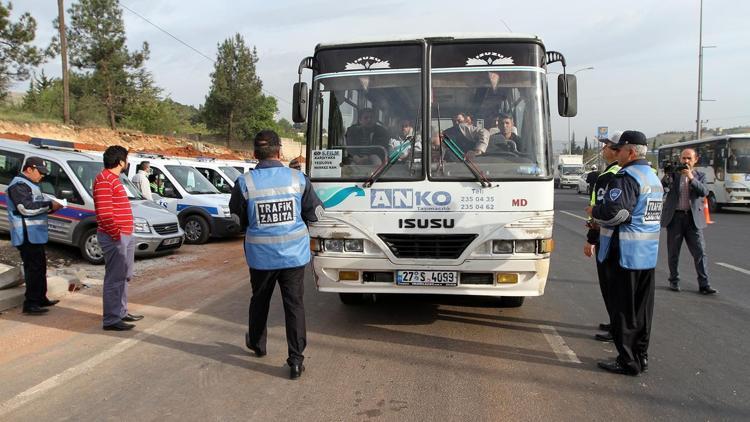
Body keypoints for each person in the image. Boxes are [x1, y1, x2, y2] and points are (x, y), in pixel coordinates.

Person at [229, 130, 324, 380]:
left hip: (261, 257)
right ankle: (295, 360)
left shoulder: (245, 182)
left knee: (259, 301)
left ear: (254, 154)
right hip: (293, 256)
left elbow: (238, 220)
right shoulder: (298, 179)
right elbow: (314, 214)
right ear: (280, 152)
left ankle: (258, 345)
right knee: (294, 305)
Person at [586, 130, 663, 376]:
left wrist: (595, 211)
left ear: (630, 152)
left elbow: (616, 213)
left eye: (618, 150)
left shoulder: (626, 177)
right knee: (642, 311)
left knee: (623, 311)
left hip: (623, 254)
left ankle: (627, 360)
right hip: (646, 254)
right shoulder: (652, 176)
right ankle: (641, 356)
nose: (615, 153)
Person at [94, 146, 143, 331]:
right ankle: (111, 319)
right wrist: (117, 236)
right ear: (121, 162)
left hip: (124, 235)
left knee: (124, 275)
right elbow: (105, 215)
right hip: (115, 237)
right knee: (115, 278)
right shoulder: (105, 180)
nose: (128, 162)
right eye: (126, 159)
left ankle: (121, 311)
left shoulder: (113, 179)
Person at [6, 157, 64, 315]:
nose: (42, 176)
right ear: (29, 169)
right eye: (40, 172)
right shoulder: (18, 185)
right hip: (25, 235)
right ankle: (30, 303)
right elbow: (26, 208)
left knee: (40, 267)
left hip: (35, 234)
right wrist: (49, 205)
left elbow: (37, 206)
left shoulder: (31, 184)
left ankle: (40, 297)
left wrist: (53, 207)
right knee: (33, 269)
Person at [660, 148, 717, 295]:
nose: (686, 161)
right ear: (680, 159)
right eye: (683, 158)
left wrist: (691, 178)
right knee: (673, 252)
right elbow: (662, 188)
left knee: (700, 252)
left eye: (689, 159)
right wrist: (667, 175)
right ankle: (674, 280)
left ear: (695, 160)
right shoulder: (673, 174)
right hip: (675, 218)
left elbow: (704, 192)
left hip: (693, 220)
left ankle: (704, 284)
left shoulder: (700, 176)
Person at [583, 133, 621, 343]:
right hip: (615, 238)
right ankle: (614, 322)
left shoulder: (609, 176)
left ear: (614, 149)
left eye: (606, 145)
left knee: (610, 285)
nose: (603, 149)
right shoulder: (616, 172)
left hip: (606, 238)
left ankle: (616, 326)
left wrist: (591, 239)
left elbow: (600, 211)